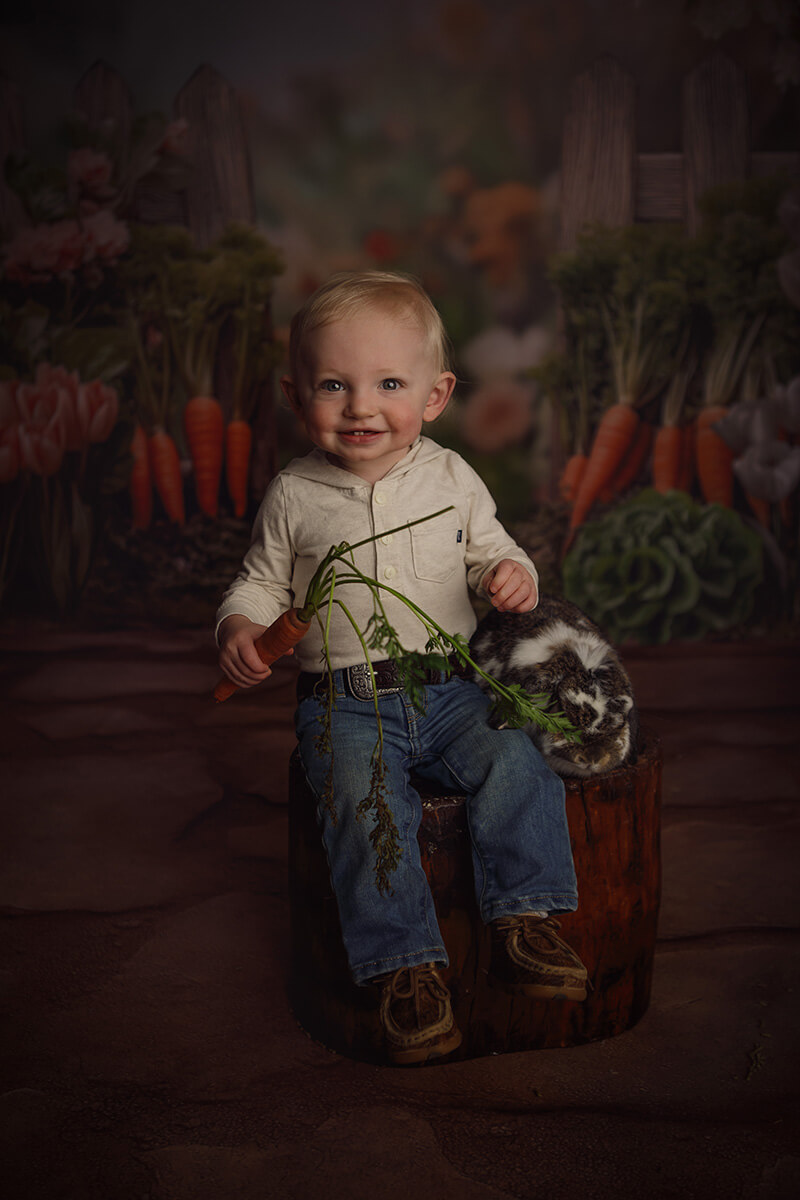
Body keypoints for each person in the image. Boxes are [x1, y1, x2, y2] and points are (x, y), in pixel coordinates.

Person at [216, 270, 587, 1065]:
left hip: (450, 692)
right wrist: (241, 625)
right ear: (296, 396)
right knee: (364, 810)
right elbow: (259, 582)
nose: (361, 406)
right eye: (333, 385)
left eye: (389, 384)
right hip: (345, 705)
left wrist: (509, 576)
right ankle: (405, 967)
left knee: (519, 758)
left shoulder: (451, 479)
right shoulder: (294, 493)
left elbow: (493, 551)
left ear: (435, 394)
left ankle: (525, 918)